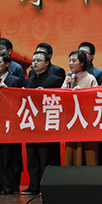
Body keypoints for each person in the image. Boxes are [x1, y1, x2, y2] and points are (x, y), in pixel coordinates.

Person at [22, 50, 64, 195]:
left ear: (47, 63)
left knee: (47, 156)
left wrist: (45, 93)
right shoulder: (28, 81)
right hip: (31, 123)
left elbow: (60, 100)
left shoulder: (55, 80)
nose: (35, 63)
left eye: (39, 60)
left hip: (48, 123)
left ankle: (47, 186)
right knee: (32, 156)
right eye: (33, 61)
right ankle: (34, 186)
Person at [0, 53, 22, 194]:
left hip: (9, 122)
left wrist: (6, 89)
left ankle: (8, 185)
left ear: (7, 64)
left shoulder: (15, 80)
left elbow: (19, 99)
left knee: (8, 155)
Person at [62, 49, 99, 166]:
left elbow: (97, 99)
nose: (70, 63)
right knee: (72, 150)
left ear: (82, 62)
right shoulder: (69, 79)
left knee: (88, 151)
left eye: (74, 60)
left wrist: (83, 93)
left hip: (86, 121)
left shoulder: (91, 78)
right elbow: (61, 97)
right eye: (69, 60)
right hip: (72, 120)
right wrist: (66, 84)